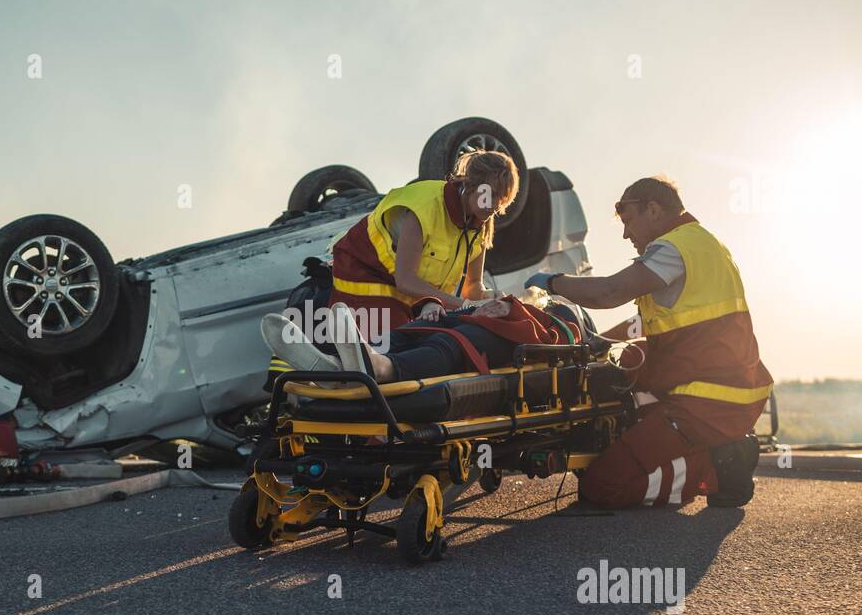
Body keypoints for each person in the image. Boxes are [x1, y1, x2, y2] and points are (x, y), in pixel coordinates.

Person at [525, 176, 773, 508]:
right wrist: (599, 342)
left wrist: (552, 282)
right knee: (630, 365)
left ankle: (719, 469)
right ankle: (701, 449)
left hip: (706, 400)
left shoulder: (672, 248)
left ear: (653, 210)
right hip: (727, 389)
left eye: (629, 222)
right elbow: (652, 321)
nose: (626, 234)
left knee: (601, 486)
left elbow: (609, 292)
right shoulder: (703, 243)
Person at [328, 150, 519, 330]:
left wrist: (489, 298)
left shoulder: (482, 220)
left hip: (410, 296)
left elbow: (472, 286)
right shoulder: (425, 207)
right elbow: (406, 281)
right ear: (471, 184)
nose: (495, 205)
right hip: (364, 277)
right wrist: (467, 306)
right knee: (396, 342)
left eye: (502, 199)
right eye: (491, 194)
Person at [261, 297, 582, 385]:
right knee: (404, 333)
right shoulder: (499, 303)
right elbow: (464, 304)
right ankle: (334, 367)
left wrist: (514, 308)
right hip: (452, 323)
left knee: (448, 347)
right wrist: (432, 304)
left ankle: (376, 367)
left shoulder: (557, 322)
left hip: (487, 339)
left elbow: (558, 339)